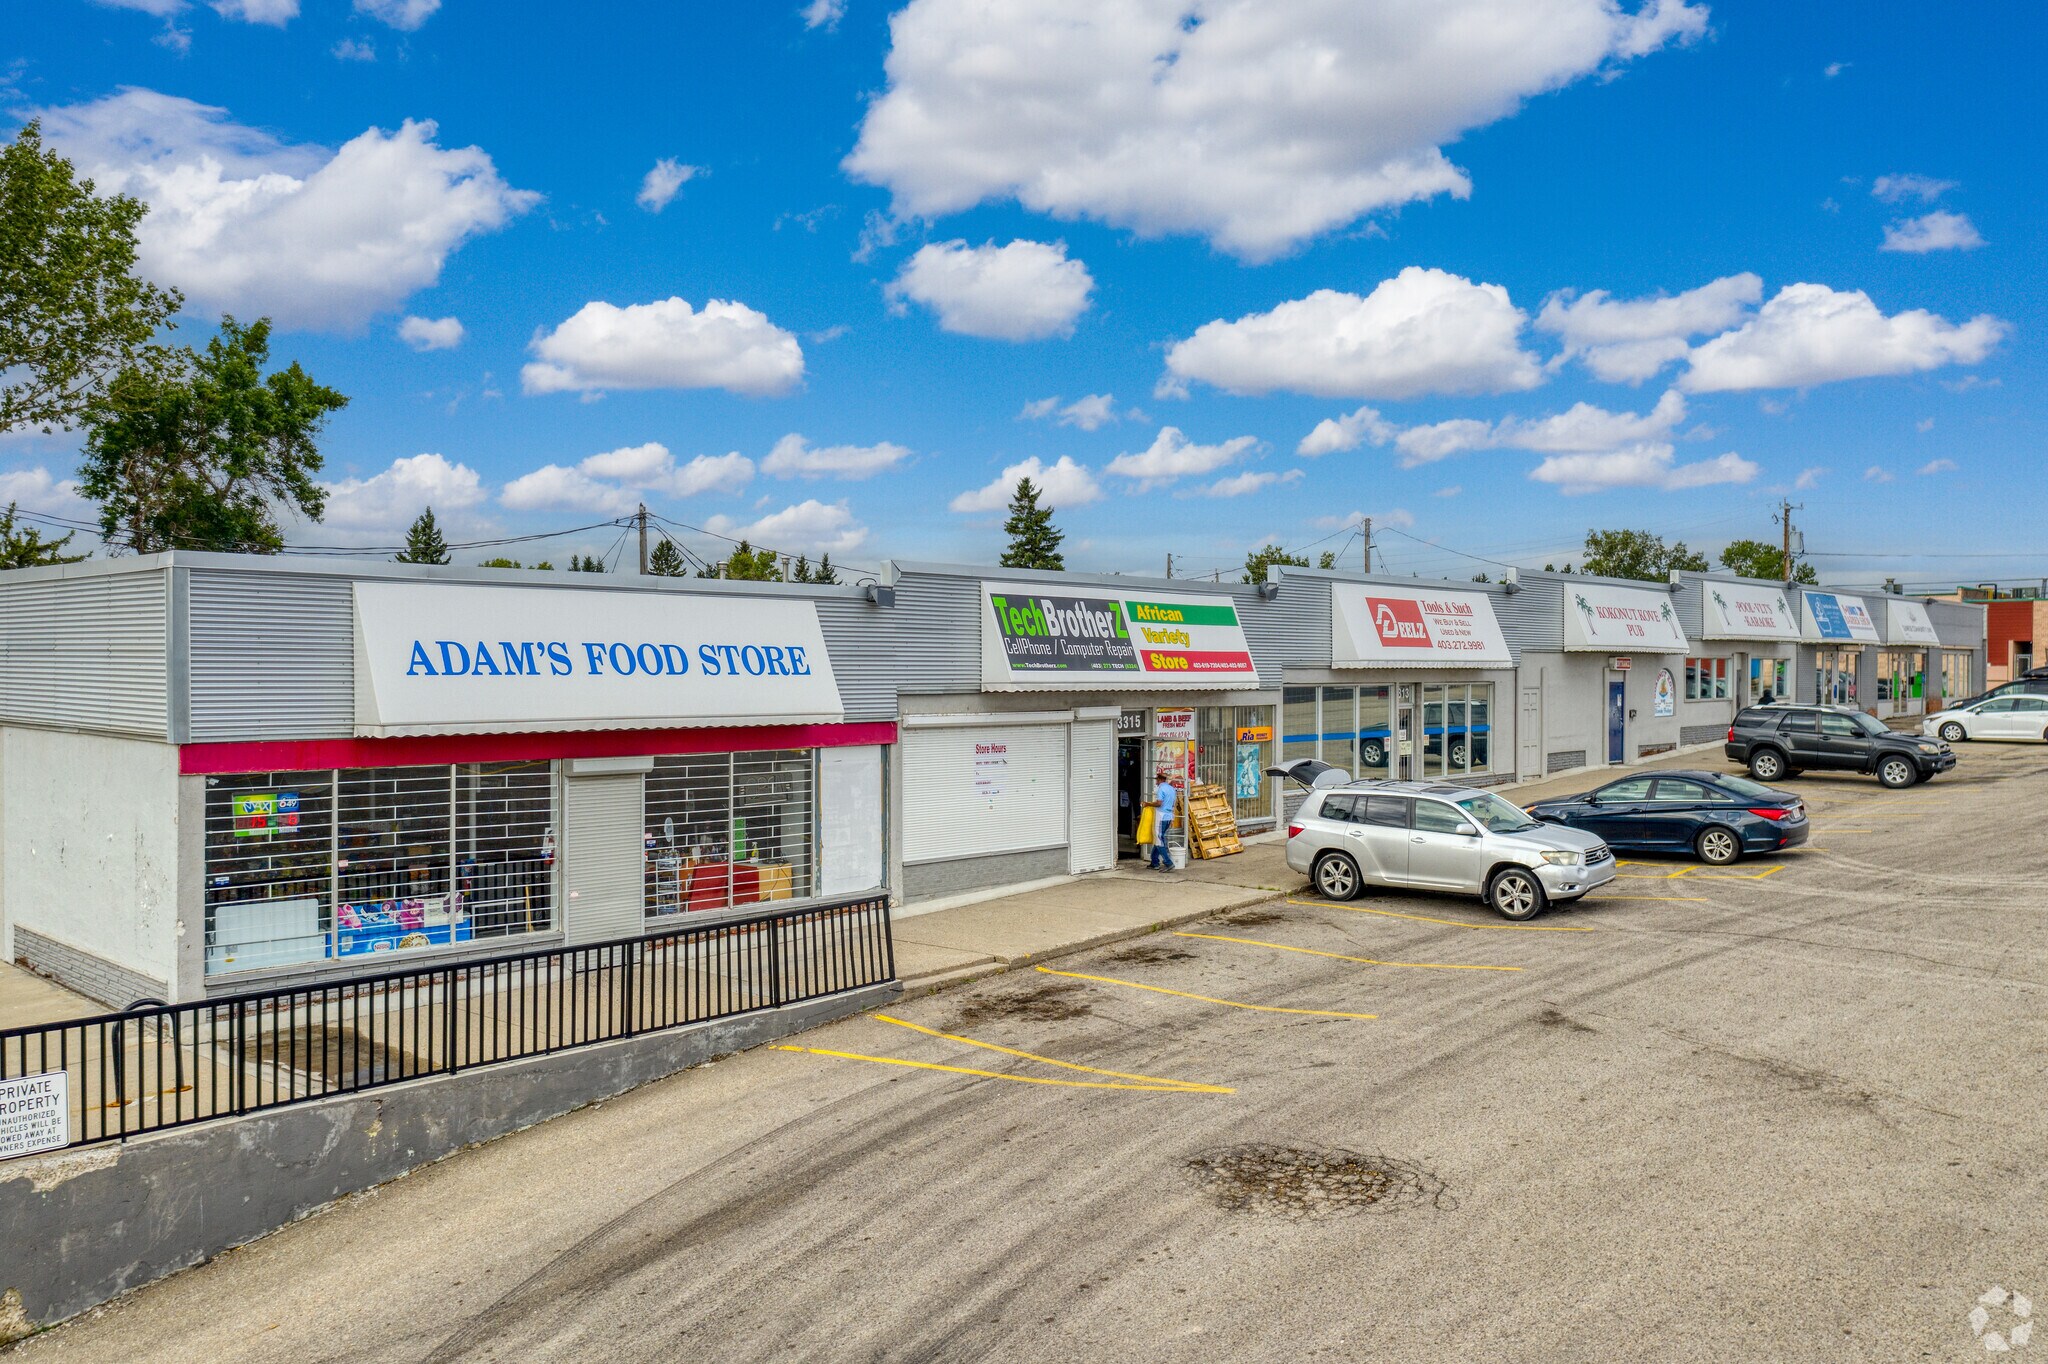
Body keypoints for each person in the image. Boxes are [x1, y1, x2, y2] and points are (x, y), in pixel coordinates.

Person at [1149, 769, 1179, 872]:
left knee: (1159, 840)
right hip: (1169, 816)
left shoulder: (1161, 789)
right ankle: (1154, 862)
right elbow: (1173, 803)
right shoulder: (1171, 789)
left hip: (1161, 816)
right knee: (1159, 838)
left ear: (1160, 779)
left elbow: (1159, 803)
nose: (1156, 781)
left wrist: (1148, 804)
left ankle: (1168, 862)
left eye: (1157, 779)